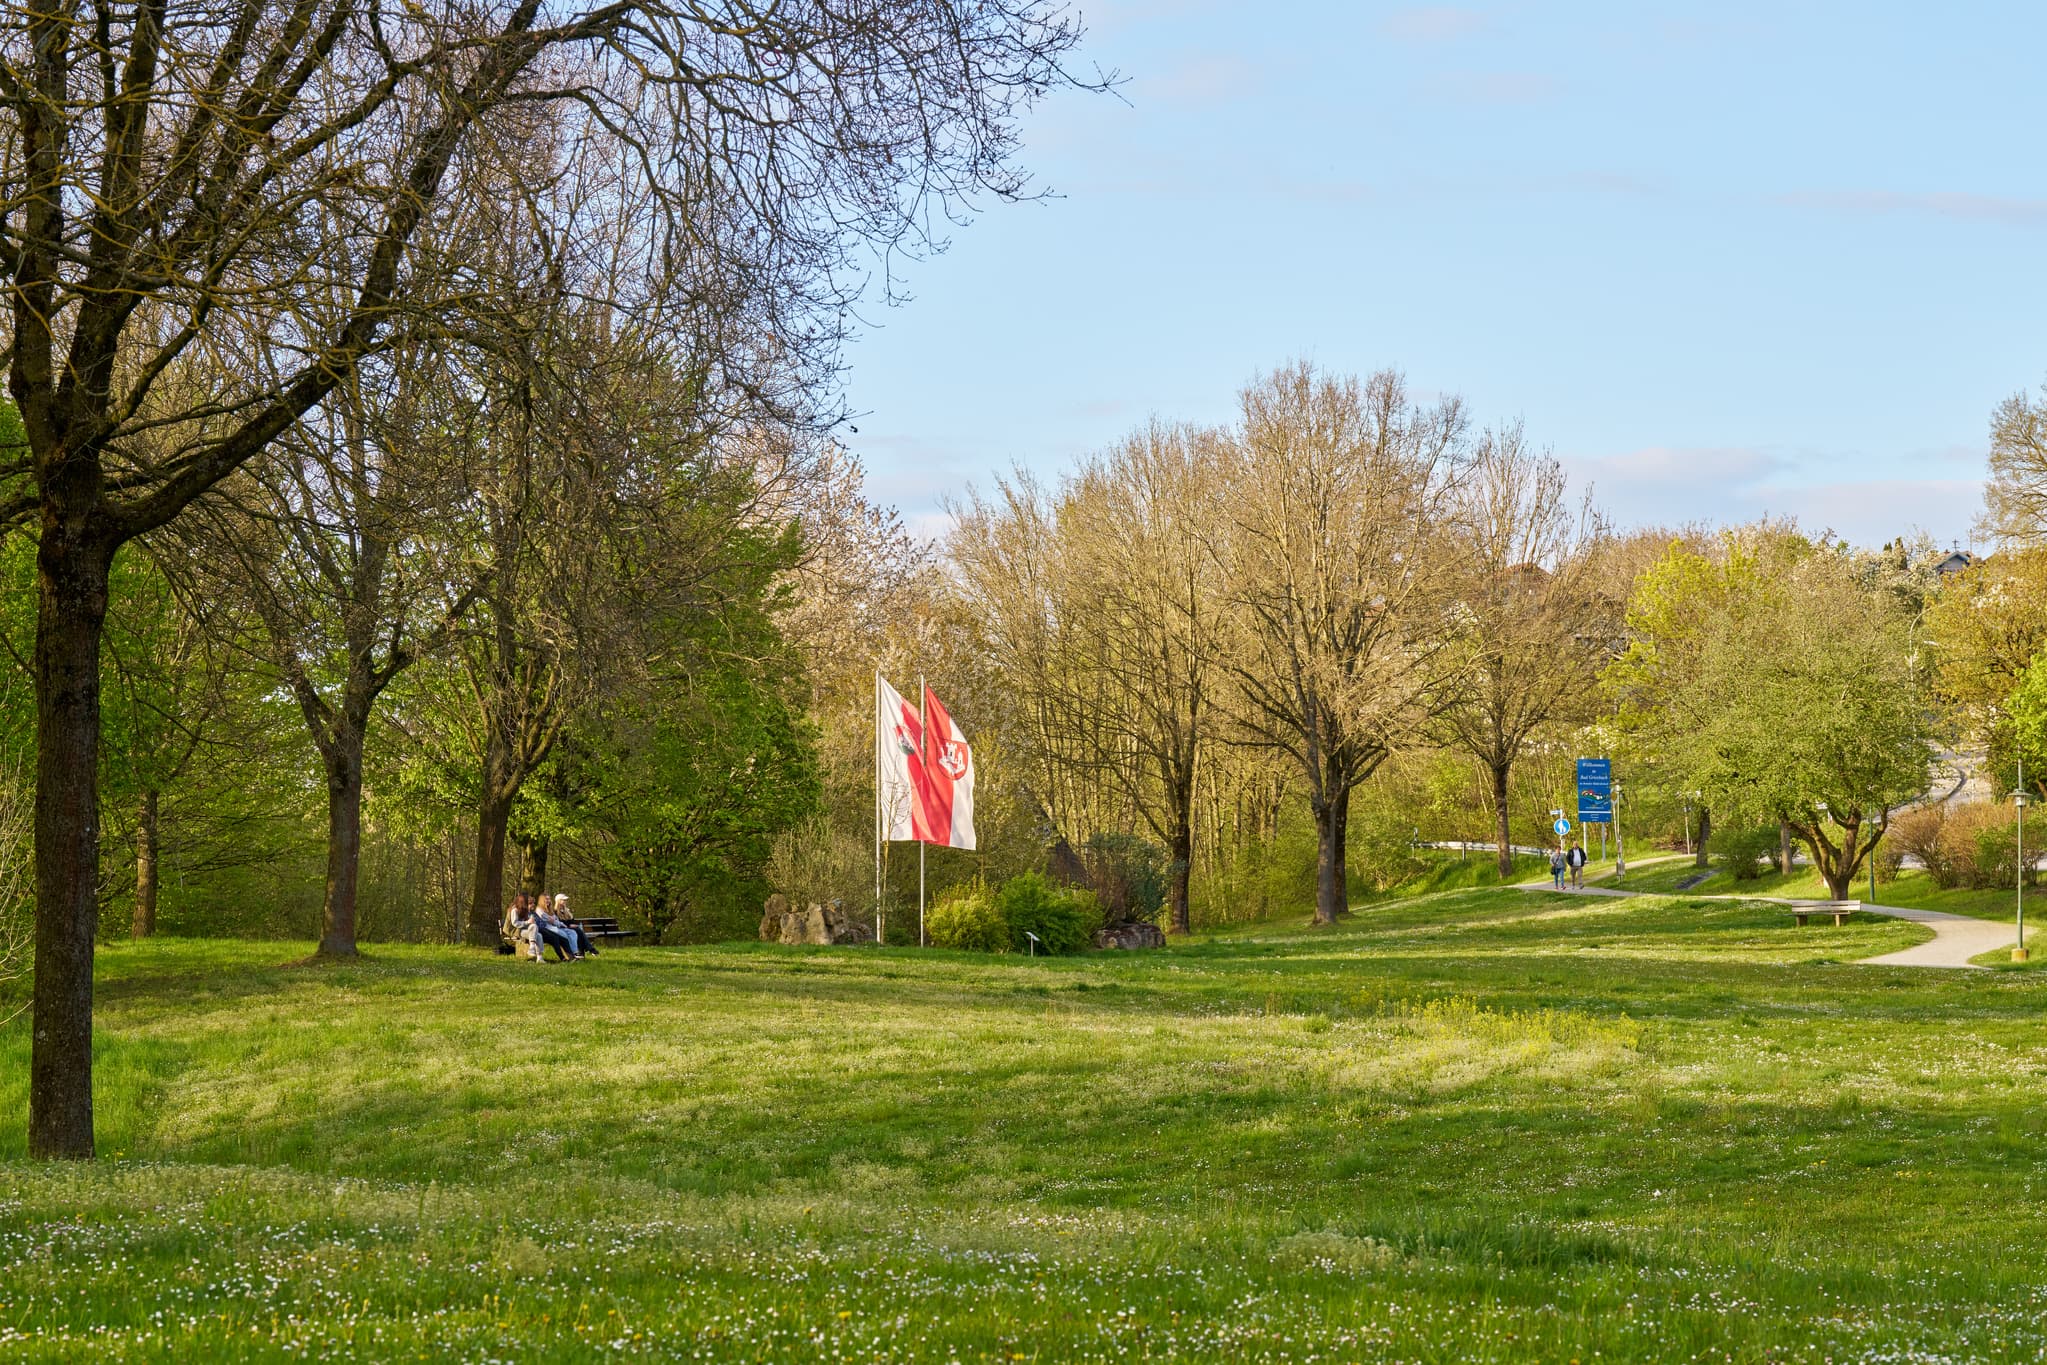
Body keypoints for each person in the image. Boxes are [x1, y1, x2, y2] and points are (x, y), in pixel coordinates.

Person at [548, 894, 597, 958]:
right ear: (558, 901)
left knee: (578, 932)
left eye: (565, 900)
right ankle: (590, 949)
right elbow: (558, 922)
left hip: (569, 928)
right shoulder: (554, 911)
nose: (565, 901)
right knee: (578, 931)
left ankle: (585, 951)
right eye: (563, 900)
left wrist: (571, 924)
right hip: (561, 929)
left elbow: (572, 920)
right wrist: (569, 925)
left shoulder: (566, 910)